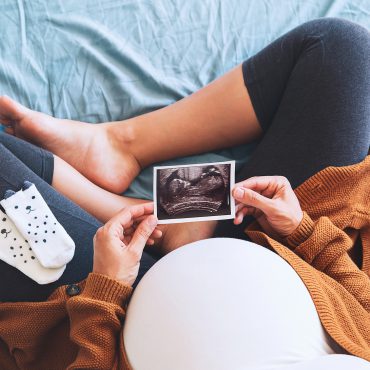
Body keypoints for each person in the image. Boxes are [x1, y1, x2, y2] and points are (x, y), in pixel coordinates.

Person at [0, 17, 368, 368]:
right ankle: (125, 149)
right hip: (283, 257)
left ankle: (169, 221)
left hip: (119, 315)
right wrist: (303, 233)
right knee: (343, 54)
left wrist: (103, 294)